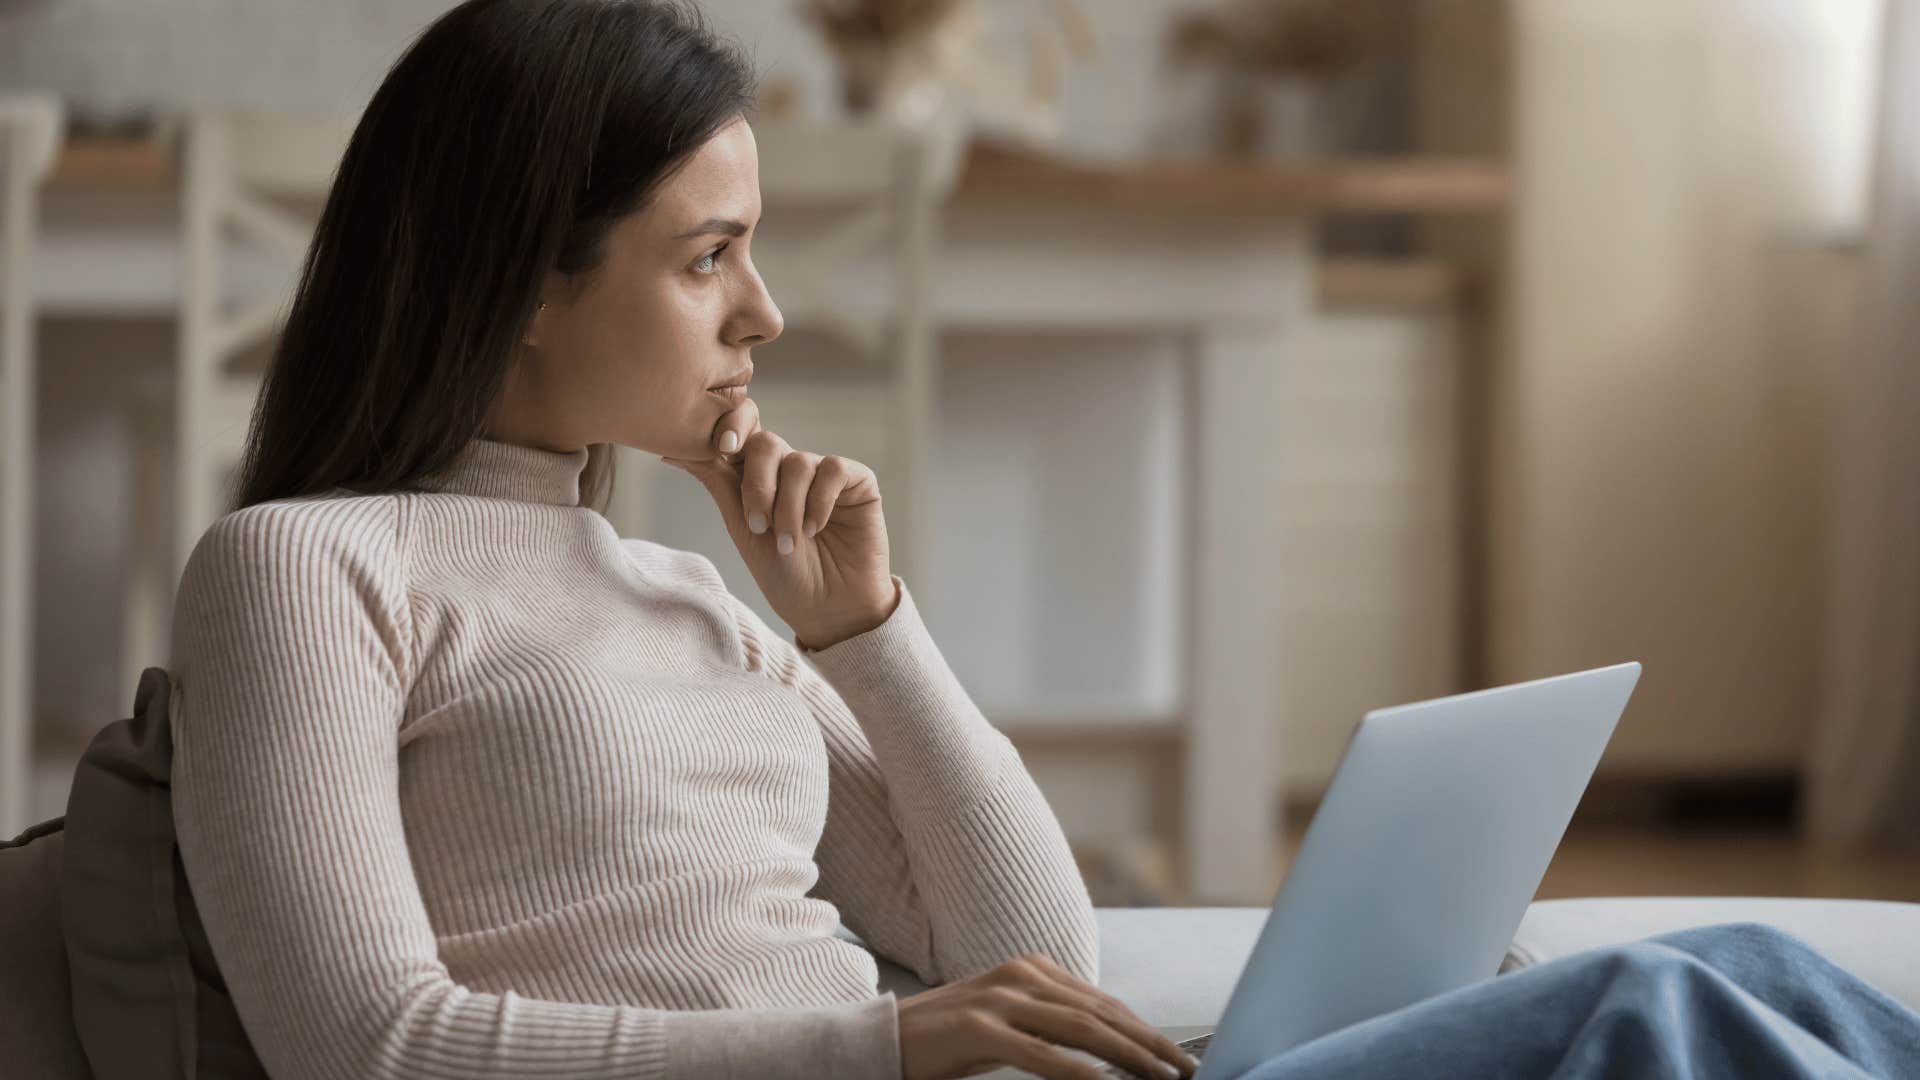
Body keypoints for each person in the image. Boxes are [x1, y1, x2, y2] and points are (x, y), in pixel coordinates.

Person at [170, 2, 1920, 1079]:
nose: (764, 313)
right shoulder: (310, 573)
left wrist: (870, 634)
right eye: (708, 257)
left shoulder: (690, 587)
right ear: (522, 282)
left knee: (1737, 971)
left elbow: (1041, 955)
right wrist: (875, 1050)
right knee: (1648, 1026)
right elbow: (369, 1045)